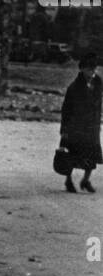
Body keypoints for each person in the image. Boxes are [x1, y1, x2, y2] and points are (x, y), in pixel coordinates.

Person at [59, 51, 102, 193]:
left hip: (92, 126)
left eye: (94, 69)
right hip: (75, 127)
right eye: (90, 69)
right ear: (82, 69)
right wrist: (64, 129)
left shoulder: (98, 83)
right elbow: (66, 109)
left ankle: (85, 180)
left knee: (92, 154)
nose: (93, 72)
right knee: (71, 155)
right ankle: (68, 180)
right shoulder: (74, 87)